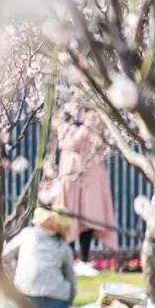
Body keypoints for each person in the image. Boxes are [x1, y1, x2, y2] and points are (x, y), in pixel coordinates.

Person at [55, 109, 118, 269]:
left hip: (91, 170)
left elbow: (101, 142)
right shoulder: (67, 116)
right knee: (69, 217)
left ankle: (83, 260)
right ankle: (69, 260)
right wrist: (83, 128)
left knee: (89, 217)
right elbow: (69, 143)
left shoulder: (95, 116)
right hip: (72, 171)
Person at [0, 208, 76, 308]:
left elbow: (4, 258)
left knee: (3, 307)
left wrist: (13, 278)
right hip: (57, 304)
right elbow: (71, 280)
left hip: (26, 298)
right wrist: (68, 303)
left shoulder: (26, 234)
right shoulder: (64, 247)